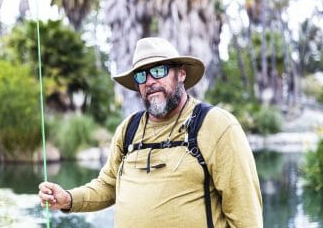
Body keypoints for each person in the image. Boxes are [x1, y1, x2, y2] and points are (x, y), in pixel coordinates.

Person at [38, 37, 263, 227]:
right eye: (141, 75)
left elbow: (246, 216)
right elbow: (108, 187)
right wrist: (67, 199)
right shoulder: (128, 129)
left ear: (181, 74)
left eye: (158, 70)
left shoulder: (217, 125)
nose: (150, 82)